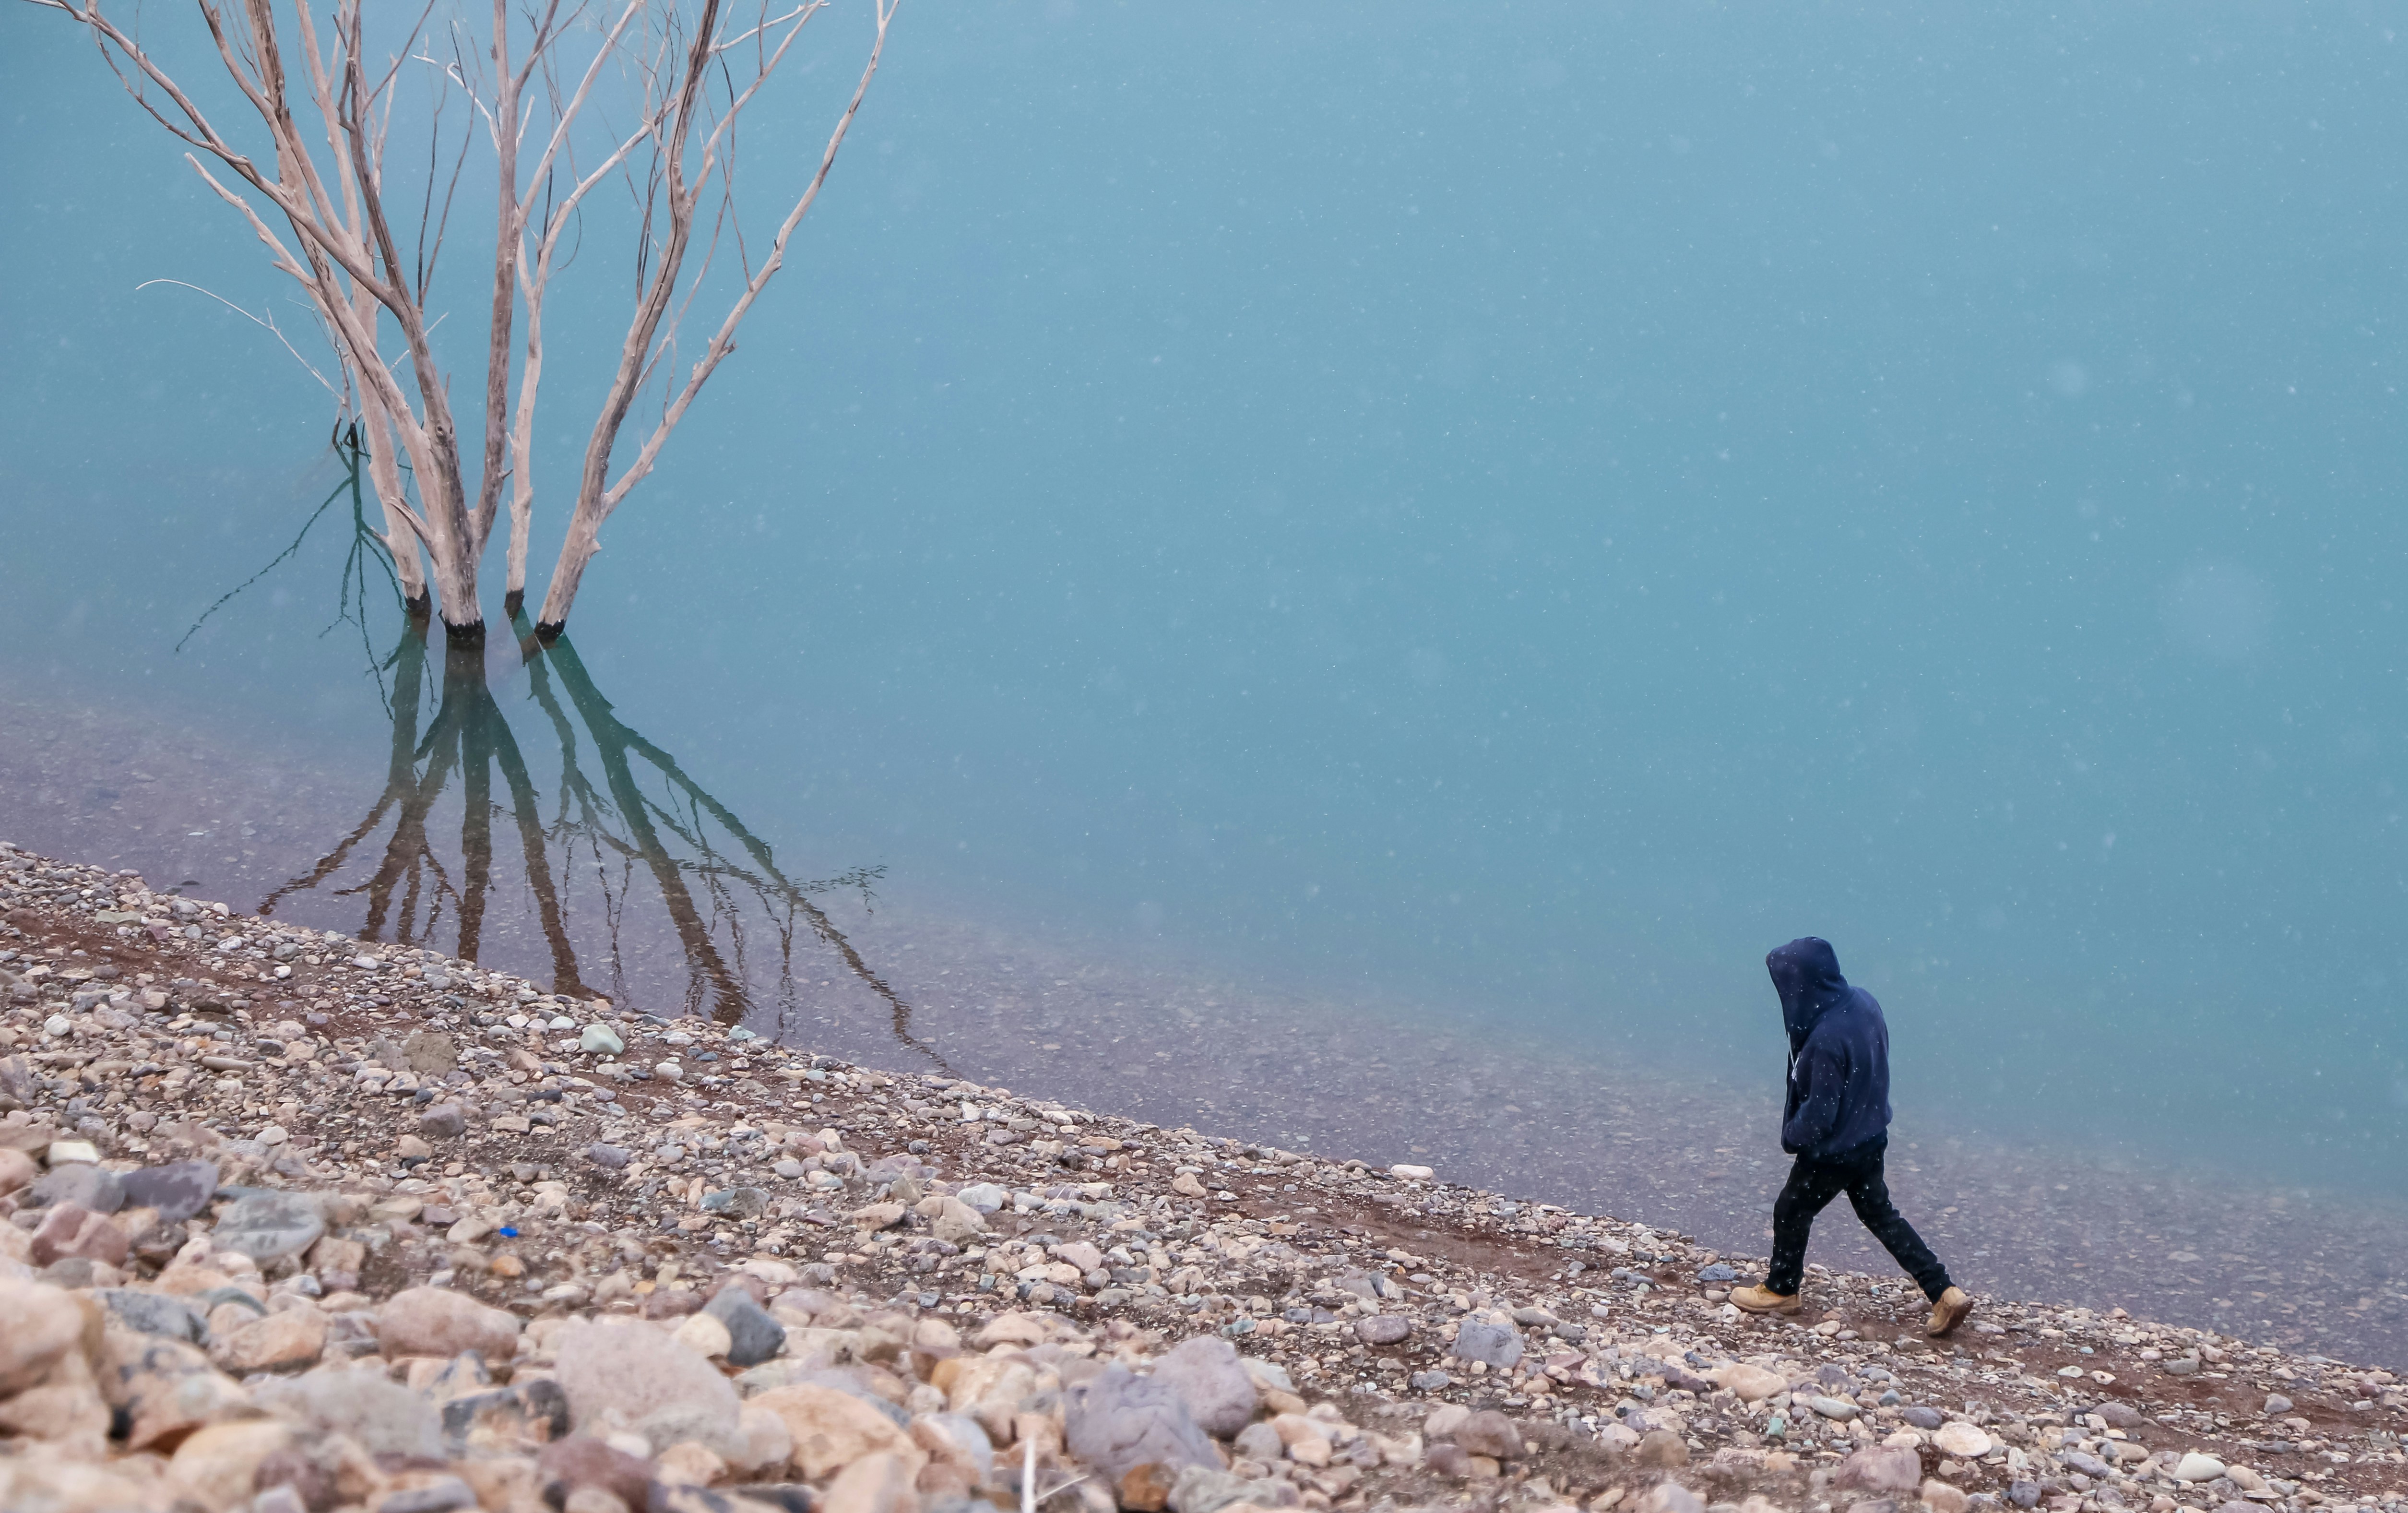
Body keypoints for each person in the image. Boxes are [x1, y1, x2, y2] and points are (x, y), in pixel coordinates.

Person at [1728, 936, 1974, 1336]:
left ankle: (1781, 1290)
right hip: (1871, 1137)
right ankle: (1943, 1291)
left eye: (1787, 984)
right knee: (1880, 1214)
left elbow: (1819, 1116)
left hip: (1834, 1151)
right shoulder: (1863, 1002)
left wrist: (1792, 1136)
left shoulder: (1825, 1039)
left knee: (1791, 1210)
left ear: (1804, 983)